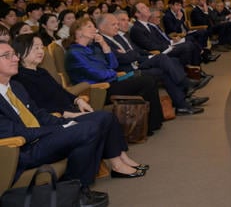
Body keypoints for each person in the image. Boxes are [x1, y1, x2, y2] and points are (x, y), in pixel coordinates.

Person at [11, 33, 148, 178]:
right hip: (59, 117)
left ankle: (123, 158)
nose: (40, 51)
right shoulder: (20, 79)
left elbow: (61, 92)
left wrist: (77, 100)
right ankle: (117, 165)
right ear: (20, 53)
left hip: (70, 110)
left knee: (108, 117)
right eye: (35, 48)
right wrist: (71, 114)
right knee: (105, 117)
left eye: (41, 47)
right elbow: (40, 108)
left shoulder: (41, 71)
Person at [0, 41, 110, 206]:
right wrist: (59, 128)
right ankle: (75, 192)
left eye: (14, 54)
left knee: (93, 123)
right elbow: (17, 132)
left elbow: (39, 115)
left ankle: (73, 191)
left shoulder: (15, 86)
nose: (16, 59)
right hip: (20, 150)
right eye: (6, 56)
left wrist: (65, 122)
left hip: (40, 138)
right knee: (87, 129)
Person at [64, 17, 164, 134]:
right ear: (78, 32)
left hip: (110, 82)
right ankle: (147, 125)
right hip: (98, 90)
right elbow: (98, 74)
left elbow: (114, 64)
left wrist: (104, 45)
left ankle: (152, 123)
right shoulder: (74, 53)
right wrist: (113, 73)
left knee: (148, 79)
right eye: (89, 26)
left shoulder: (93, 48)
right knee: (146, 82)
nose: (94, 29)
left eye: (94, 26)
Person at [100, 11, 206, 115]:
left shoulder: (119, 37)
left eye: (118, 23)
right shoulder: (103, 42)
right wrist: (133, 55)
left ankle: (183, 102)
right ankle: (185, 87)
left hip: (137, 63)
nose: (117, 26)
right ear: (102, 27)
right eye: (114, 24)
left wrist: (146, 55)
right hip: (127, 72)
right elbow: (122, 59)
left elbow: (135, 52)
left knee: (171, 62)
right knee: (162, 60)